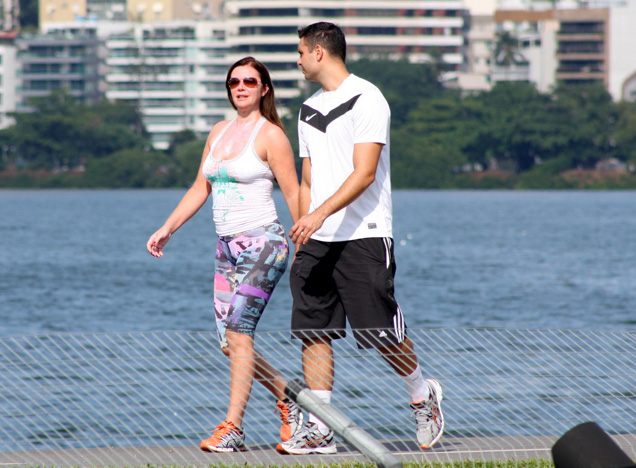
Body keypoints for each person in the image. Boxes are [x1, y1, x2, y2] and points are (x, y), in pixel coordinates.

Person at [275, 22, 445, 455]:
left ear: (319, 53)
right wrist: (303, 230)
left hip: (364, 234)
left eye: (299, 52)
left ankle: (422, 394)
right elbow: (309, 177)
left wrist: (318, 214)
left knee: (379, 331)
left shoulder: (368, 98)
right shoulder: (308, 108)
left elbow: (365, 173)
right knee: (313, 331)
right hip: (317, 237)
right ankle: (321, 428)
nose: (296, 61)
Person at [146, 56, 303, 453]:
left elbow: (295, 194)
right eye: (234, 81)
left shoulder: (271, 137)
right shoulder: (218, 132)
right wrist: (167, 228)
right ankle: (289, 398)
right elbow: (202, 187)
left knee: (239, 333)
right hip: (227, 250)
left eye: (250, 81)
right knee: (230, 342)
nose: (241, 87)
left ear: (264, 88)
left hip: (264, 245)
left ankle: (233, 427)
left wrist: (305, 247)